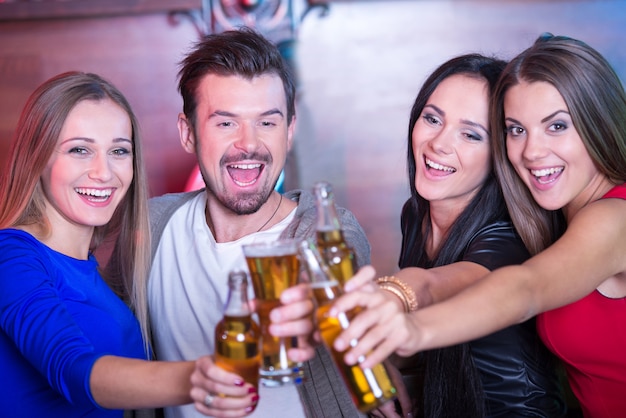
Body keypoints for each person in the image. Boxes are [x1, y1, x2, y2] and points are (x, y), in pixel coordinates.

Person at [330, 34, 626, 418]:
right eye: (516, 129)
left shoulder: (612, 217)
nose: (532, 151)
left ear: (596, 121)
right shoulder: (547, 219)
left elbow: (524, 288)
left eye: (557, 126)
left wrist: (409, 322)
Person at [147, 27, 371, 418]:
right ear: (188, 133)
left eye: (267, 122)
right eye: (226, 123)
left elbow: (336, 277)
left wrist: (317, 307)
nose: (248, 144)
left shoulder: (326, 233)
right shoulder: (150, 228)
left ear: (290, 129)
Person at [0, 72, 252, 417]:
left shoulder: (101, 274)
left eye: (119, 151)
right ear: (38, 157)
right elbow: (72, 370)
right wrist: (199, 379)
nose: (104, 172)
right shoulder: (10, 255)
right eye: (79, 149)